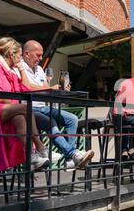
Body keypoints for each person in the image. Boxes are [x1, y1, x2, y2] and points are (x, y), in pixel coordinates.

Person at [0, 37, 49, 172]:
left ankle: (31, 156)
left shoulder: (9, 70)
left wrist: (21, 69)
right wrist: (16, 107)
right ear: (11, 54)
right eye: (19, 56)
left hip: (1, 109)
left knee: (19, 117)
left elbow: (25, 88)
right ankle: (40, 146)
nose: (20, 59)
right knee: (25, 108)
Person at [15, 40, 94, 169]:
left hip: (43, 107)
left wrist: (59, 90)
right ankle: (73, 155)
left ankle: (70, 158)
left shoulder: (40, 69)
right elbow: (26, 88)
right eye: (38, 55)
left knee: (72, 119)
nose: (40, 58)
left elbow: (46, 89)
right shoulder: (19, 68)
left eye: (41, 55)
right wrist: (49, 88)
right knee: (51, 122)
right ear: (27, 53)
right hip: (28, 107)